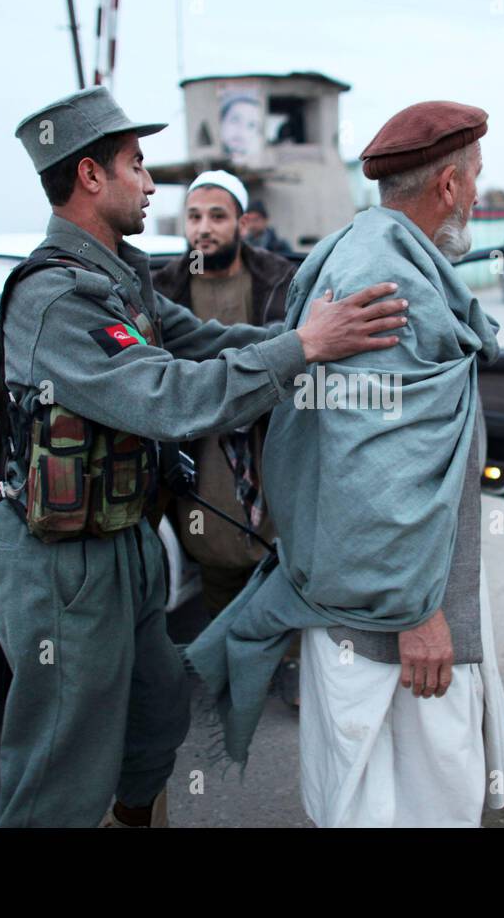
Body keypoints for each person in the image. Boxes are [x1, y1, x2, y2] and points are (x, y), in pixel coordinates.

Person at [0, 86, 409, 828]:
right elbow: (168, 397)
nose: (151, 185)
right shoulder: (56, 300)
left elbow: (205, 343)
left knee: (154, 719)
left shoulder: (121, 272)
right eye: (136, 166)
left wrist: (312, 337)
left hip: (126, 541)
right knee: (61, 762)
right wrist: (303, 346)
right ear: (90, 177)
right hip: (61, 561)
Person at [186, 101, 504, 828]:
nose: (478, 194)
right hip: (395, 618)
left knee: (375, 788)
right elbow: (375, 469)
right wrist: (419, 613)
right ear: (446, 187)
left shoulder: (356, 250)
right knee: (412, 796)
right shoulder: (386, 282)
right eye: (475, 179)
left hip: (369, 595)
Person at [153, 170, 303, 706]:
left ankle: (290, 660)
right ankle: (233, 661)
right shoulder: (164, 287)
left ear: (242, 222)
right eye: (194, 217)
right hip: (203, 445)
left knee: (284, 546)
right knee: (214, 547)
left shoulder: (283, 278)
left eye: (217, 216)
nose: (204, 229)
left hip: (272, 438)